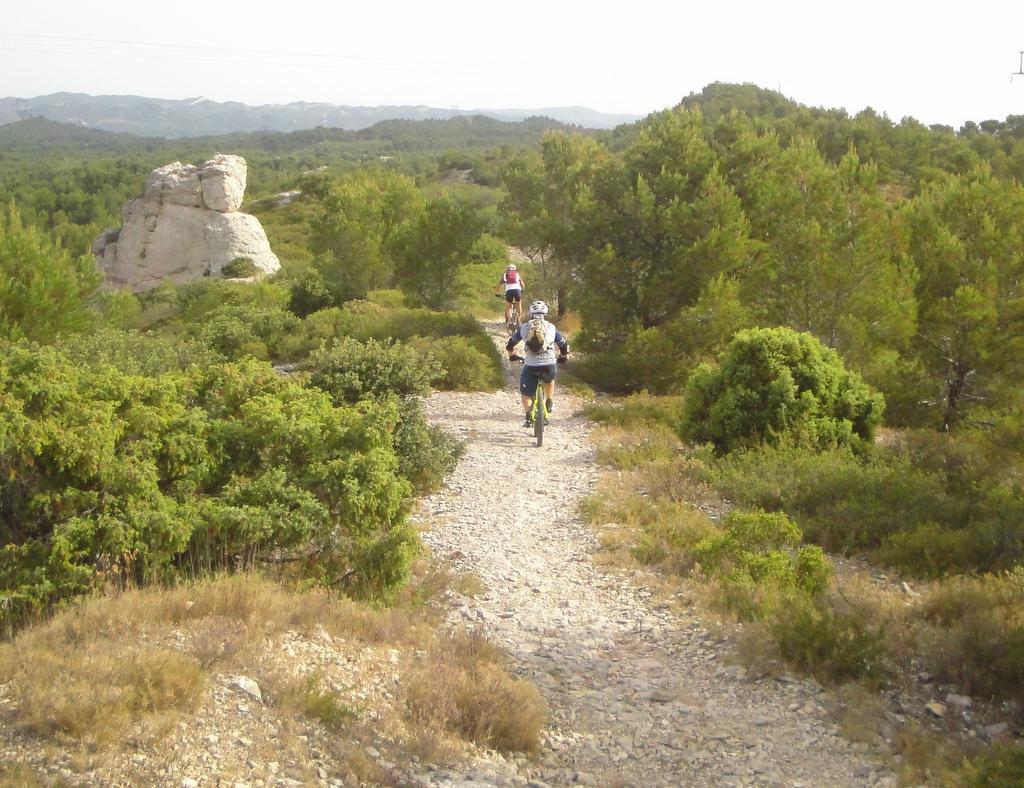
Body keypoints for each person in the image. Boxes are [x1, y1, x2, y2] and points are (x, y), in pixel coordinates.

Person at [507, 300, 569, 426]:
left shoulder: (524, 328)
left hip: (530, 365)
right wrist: (562, 357)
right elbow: (563, 345)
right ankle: (549, 400)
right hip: (549, 364)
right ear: (545, 313)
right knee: (550, 379)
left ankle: (529, 416)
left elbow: (510, 344)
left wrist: (512, 355)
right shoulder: (551, 328)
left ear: (531, 313)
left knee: (526, 394)